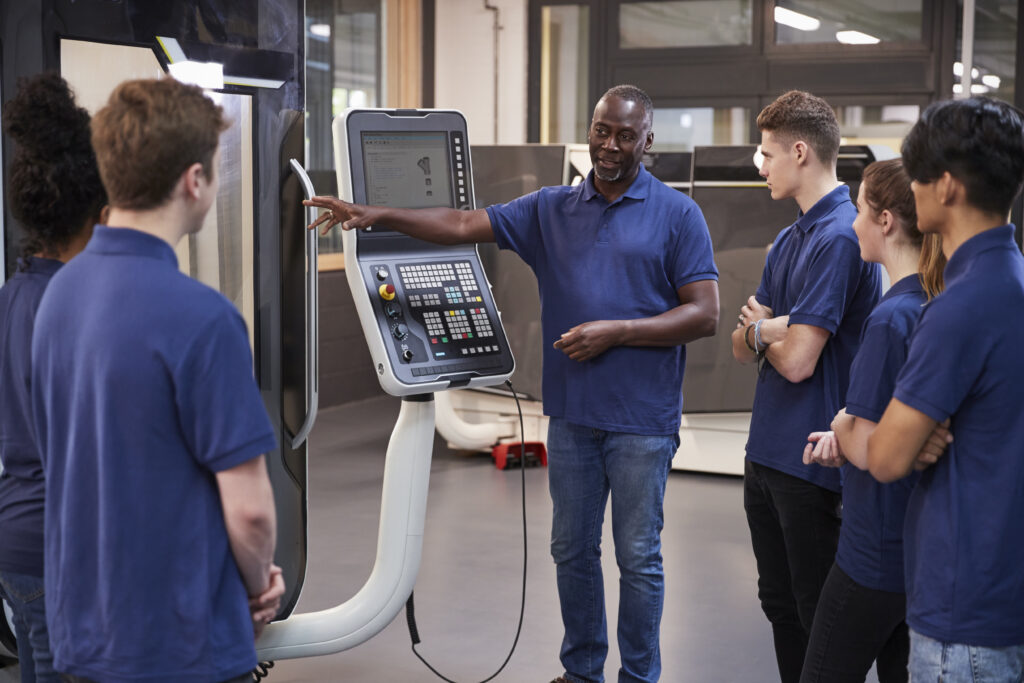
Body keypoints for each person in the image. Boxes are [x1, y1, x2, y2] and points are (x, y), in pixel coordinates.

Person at [305, 85, 720, 683]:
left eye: (625, 136)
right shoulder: (552, 208)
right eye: (602, 130)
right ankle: (581, 673)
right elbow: (461, 222)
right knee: (572, 553)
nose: (610, 145)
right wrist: (378, 215)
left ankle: (639, 677)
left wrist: (618, 332)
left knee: (638, 559)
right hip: (574, 415)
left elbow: (704, 314)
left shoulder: (679, 215)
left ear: (647, 142)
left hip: (642, 421)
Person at [30, 77, 284, 682]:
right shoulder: (205, 319)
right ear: (193, 181)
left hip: (84, 636)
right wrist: (261, 585)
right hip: (179, 644)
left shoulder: (57, 295)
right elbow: (249, 512)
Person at [867, 97, 1024, 681]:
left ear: (948, 187)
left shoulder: (959, 307)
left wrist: (884, 432)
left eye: (918, 178)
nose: (912, 190)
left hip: (964, 619)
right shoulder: (1013, 281)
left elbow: (886, 456)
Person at [730, 90, 881, 683]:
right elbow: (740, 348)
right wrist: (772, 329)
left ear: (800, 151)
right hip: (766, 454)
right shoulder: (790, 238)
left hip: (810, 464)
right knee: (780, 607)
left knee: (815, 611)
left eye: (767, 154)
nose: (761, 167)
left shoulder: (841, 237)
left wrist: (762, 329)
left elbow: (796, 362)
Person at [798, 159, 947, 683]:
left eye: (860, 210)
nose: (853, 223)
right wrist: (854, 433)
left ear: (885, 221)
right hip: (916, 553)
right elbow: (892, 430)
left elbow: (865, 434)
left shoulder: (888, 320)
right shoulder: (935, 305)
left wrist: (843, 425)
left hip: (871, 553)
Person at [0, 73, 107, 683]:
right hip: (58, 551)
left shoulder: (14, 295)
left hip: (16, 544)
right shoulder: (72, 308)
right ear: (96, 212)